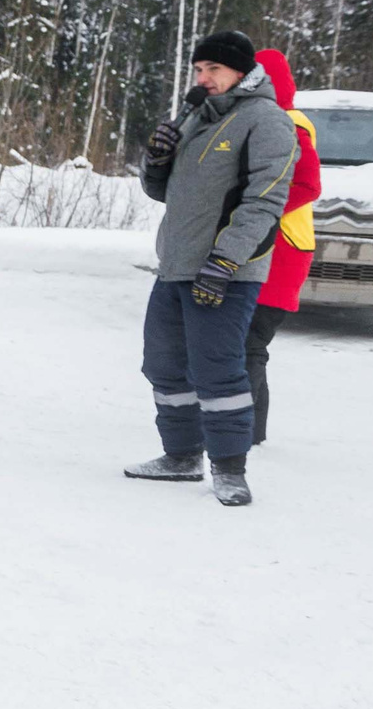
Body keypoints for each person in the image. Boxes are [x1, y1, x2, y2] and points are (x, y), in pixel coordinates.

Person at [127, 30, 300, 507]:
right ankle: (182, 456)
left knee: (217, 371)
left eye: (214, 70)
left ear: (242, 72)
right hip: (176, 264)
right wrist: (155, 161)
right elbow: (163, 192)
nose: (203, 78)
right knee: (162, 364)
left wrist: (224, 262)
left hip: (227, 271)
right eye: (199, 70)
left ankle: (229, 469)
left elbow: (265, 202)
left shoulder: (267, 121)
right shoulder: (197, 117)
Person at [246, 48, 321, 446]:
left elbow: (308, 185)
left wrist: (256, 209)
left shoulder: (290, 123)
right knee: (247, 344)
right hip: (274, 246)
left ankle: (244, 431)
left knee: (249, 344)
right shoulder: (270, 119)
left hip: (282, 250)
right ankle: (247, 429)